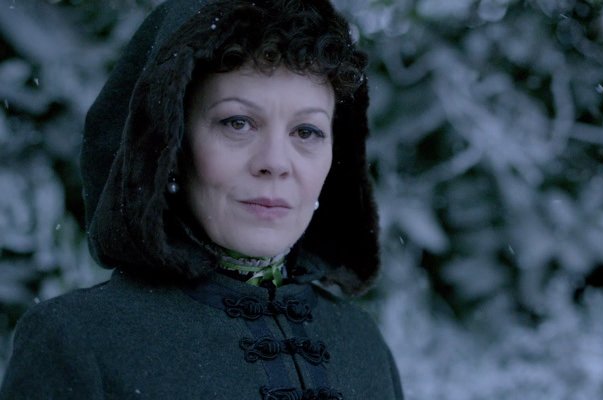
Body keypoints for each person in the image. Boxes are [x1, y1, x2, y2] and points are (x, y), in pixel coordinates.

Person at [0, 0, 403, 398]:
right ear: (170, 142)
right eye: (238, 123)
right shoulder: (78, 341)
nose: (276, 163)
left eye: (306, 132)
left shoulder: (363, 344)